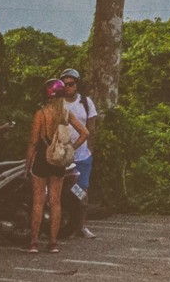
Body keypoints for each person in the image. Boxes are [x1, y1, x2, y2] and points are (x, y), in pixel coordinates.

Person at [25, 79, 85, 254]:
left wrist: (27, 164)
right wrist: (70, 148)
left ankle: (34, 243)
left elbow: (33, 142)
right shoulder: (65, 113)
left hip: (43, 158)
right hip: (59, 160)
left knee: (38, 202)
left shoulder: (41, 114)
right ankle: (53, 243)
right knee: (56, 202)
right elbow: (85, 133)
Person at [57, 68, 98, 237]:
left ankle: (81, 225)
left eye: (71, 84)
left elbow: (92, 127)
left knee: (81, 191)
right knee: (60, 192)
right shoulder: (58, 103)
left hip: (81, 156)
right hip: (61, 156)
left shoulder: (86, 103)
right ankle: (62, 226)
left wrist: (90, 149)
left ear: (77, 84)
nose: (68, 87)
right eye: (64, 84)